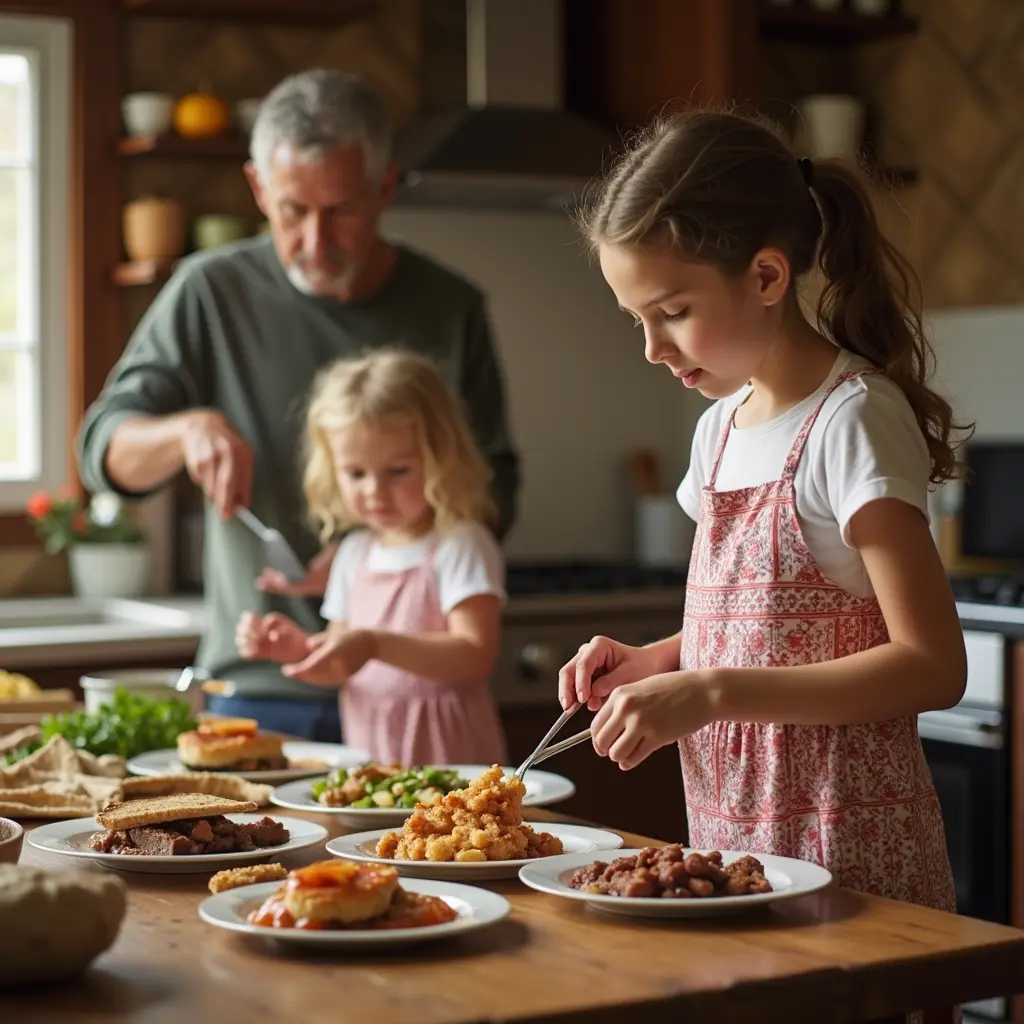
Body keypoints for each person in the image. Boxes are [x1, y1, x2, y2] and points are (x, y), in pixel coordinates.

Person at [559, 111, 968, 949]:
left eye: (671, 310)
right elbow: (757, 626)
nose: (651, 347)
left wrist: (711, 692)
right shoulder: (719, 429)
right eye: (636, 318)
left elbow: (933, 665)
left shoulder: (853, 420)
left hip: (848, 861)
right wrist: (659, 660)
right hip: (732, 851)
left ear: (768, 276)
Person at [76, 70, 519, 742]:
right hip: (260, 686)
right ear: (258, 188)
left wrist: (370, 560)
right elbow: (102, 453)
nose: (315, 242)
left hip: (411, 698)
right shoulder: (211, 292)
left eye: (339, 211)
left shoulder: (451, 308)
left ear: (385, 188)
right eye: (291, 210)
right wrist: (185, 432)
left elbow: (493, 490)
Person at [235, 349, 508, 766]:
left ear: (441, 457)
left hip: (452, 765)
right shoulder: (354, 553)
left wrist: (375, 643)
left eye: (397, 471)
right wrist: (298, 649)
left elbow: (475, 654)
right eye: (355, 474)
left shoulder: (460, 545)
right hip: (371, 762)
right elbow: (344, 661)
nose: (374, 492)